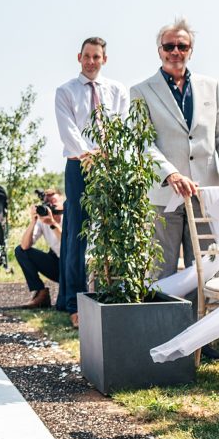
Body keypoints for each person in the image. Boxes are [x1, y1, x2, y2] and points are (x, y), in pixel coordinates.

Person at [130, 17, 219, 279]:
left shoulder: (211, 87)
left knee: (205, 269)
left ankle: (201, 320)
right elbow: (141, 141)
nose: (175, 52)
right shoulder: (141, 91)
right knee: (161, 270)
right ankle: (164, 321)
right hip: (163, 195)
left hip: (207, 194)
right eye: (169, 47)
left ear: (191, 50)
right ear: (159, 50)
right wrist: (170, 174)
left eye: (182, 46)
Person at [53, 37, 129, 326]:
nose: (91, 61)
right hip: (79, 166)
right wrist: (88, 155)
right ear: (79, 57)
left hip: (112, 164)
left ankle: (114, 291)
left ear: (104, 59)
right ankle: (74, 302)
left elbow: (121, 123)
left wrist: (110, 154)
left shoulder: (117, 90)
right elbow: (67, 128)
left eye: (96, 56)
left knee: (114, 228)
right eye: (87, 56)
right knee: (77, 234)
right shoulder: (66, 91)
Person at [14, 190, 64, 309]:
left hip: (72, 265)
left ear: (63, 201)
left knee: (62, 305)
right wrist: (33, 221)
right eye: (48, 204)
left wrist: (53, 224)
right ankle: (41, 293)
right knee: (20, 251)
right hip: (57, 263)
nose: (51, 206)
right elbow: (25, 246)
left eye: (54, 202)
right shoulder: (43, 220)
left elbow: (67, 243)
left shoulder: (70, 217)